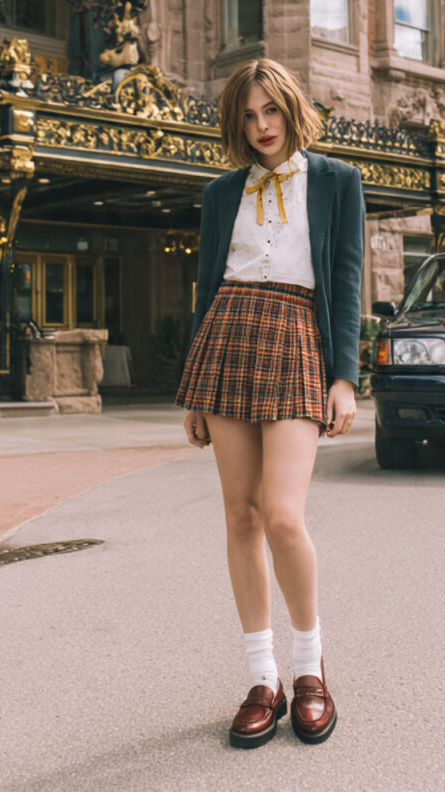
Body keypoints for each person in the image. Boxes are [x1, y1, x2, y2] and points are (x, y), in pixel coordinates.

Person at [176, 59, 364, 749]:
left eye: (271, 112)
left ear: (291, 108)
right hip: (228, 333)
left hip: (295, 337)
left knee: (284, 516)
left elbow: (344, 277)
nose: (261, 127)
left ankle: (310, 669)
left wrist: (344, 376)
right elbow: (205, 283)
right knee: (240, 514)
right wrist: (194, 391)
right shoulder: (221, 192)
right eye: (249, 116)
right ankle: (263, 679)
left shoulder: (338, 181)